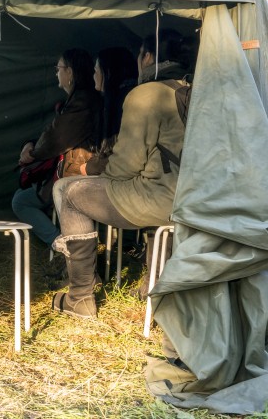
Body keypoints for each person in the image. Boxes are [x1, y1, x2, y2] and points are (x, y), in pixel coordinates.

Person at [50, 29, 192, 319]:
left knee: (68, 191)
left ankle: (80, 296)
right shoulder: (191, 90)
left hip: (158, 200)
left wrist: (97, 172)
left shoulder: (147, 94)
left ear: (148, 56)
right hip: (192, 199)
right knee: (154, 205)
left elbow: (126, 165)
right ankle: (152, 288)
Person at [12, 48, 100, 248]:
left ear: (70, 72)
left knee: (21, 202)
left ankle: (63, 245)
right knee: (21, 198)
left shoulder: (82, 101)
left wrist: (32, 153)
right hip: (74, 171)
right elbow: (54, 134)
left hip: (76, 174)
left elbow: (57, 138)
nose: (56, 73)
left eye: (58, 68)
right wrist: (32, 144)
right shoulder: (79, 100)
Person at [81, 47, 138, 177]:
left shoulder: (125, 102)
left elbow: (123, 152)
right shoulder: (109, 101)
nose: (93, 75)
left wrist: (90, 167)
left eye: (96, 70)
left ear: (108, 72)